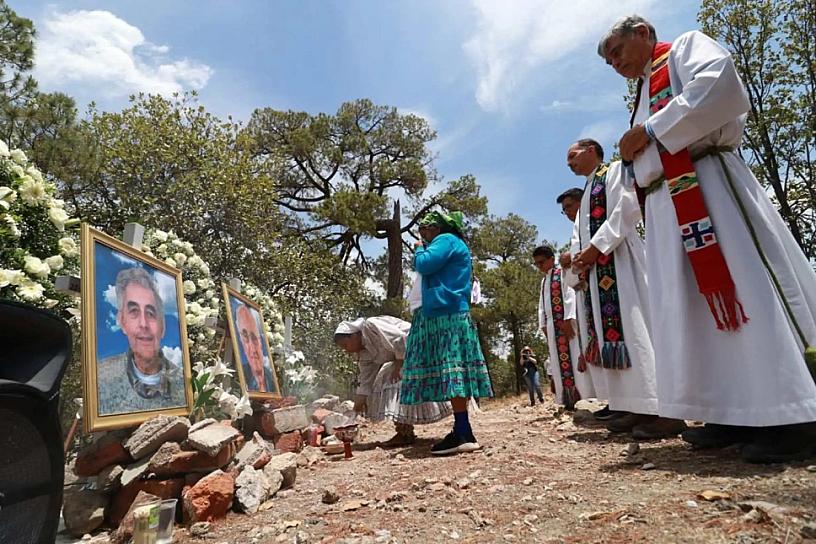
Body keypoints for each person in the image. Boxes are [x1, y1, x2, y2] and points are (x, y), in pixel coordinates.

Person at [600, 15, 816, 461]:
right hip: (667, 205)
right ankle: (731, 409)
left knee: (745, 289)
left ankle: (792, 415)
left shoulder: (684, 50)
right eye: (609, 60)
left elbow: (721, 85)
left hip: (707, 186)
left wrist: (651, 130)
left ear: (642, 32)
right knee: (694, 311)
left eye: (616, 51)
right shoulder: (643, 93)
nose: (614, 63)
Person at [568, 138, 685, 438]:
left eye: (573, 155)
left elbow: (628, 206)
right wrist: (580, 264)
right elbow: (577, 239)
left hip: (621, 260)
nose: (569, 163)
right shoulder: (586, 194)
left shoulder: (616, 171)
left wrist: (596, 247)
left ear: (591, 150)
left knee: (635, 328)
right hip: (599, 269)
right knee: (617, 338)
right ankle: (636, 405)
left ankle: (662, 407)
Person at [400, 210, 494, 455]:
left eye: (426, 230)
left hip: (445, 314)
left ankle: (463, 431)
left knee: (452, 370)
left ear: (437, 227)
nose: (423, 235)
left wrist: (419, 248)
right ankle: (462, 428)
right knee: (451, 371)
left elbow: (425, 263)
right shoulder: (452, 243)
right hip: (441, 311)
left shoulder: (447, 240)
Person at [334, 313, 453, 447]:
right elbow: (365, 382)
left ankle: (456, 420)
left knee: (392, 380)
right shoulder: (365, 355)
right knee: (385, 381)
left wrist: (399, 363)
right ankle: (405, 432)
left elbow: (401, 337)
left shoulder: (371, 326)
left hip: (419, 347)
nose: (347, 350)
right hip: (404, 358)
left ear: (354, 335)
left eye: (345, 345)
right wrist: (354, 412)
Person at [97, 267, 186, 415]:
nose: (143, 324)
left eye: (151, 313)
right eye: (134, 311)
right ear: (122, 321)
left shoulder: (184, 384)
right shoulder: (99, 377)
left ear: (162, 326)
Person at [534, 245, 588, 411]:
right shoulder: (544, 281)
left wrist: (568, 318)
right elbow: (541, 306)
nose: (540, 266)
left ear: (551, 259)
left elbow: (570, 295)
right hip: (551, 326)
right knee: (558, 363)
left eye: (542, 262)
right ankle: (565, 398)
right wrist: (542, 324)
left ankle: (581, 397)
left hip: (565, 324)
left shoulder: (562, 274)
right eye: (536, 264)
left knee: (572, 356)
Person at [235, 303, 276, 393]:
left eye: (254, 338)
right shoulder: (239, 378)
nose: (252, 349)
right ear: (240, 340)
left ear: (261, 341)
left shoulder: (272, 379)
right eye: (245, 338)